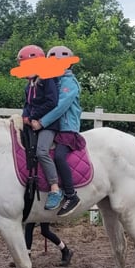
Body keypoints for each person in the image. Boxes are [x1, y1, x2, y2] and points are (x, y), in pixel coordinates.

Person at [34, 46, 83, 217]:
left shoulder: (69, 83)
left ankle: (71, 194)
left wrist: (42, 122)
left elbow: (60, 107)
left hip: (68, 128)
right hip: (56, 127)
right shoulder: (55, 81)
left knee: (60, 156)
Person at [18, 45, 64, 210]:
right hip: (33, 122)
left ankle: (55, 188)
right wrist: (25, 116)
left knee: (41, 151)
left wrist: (33, 117)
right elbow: (27, 104)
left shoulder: (47, 79)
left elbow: (52, 102)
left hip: (48, 124)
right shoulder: (29, 85)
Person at [9, 223, 73, 267]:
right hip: (35, 207)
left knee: (45, 231)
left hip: (44, 207)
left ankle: (66, 250)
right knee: (28, 228)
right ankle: (26, 256)